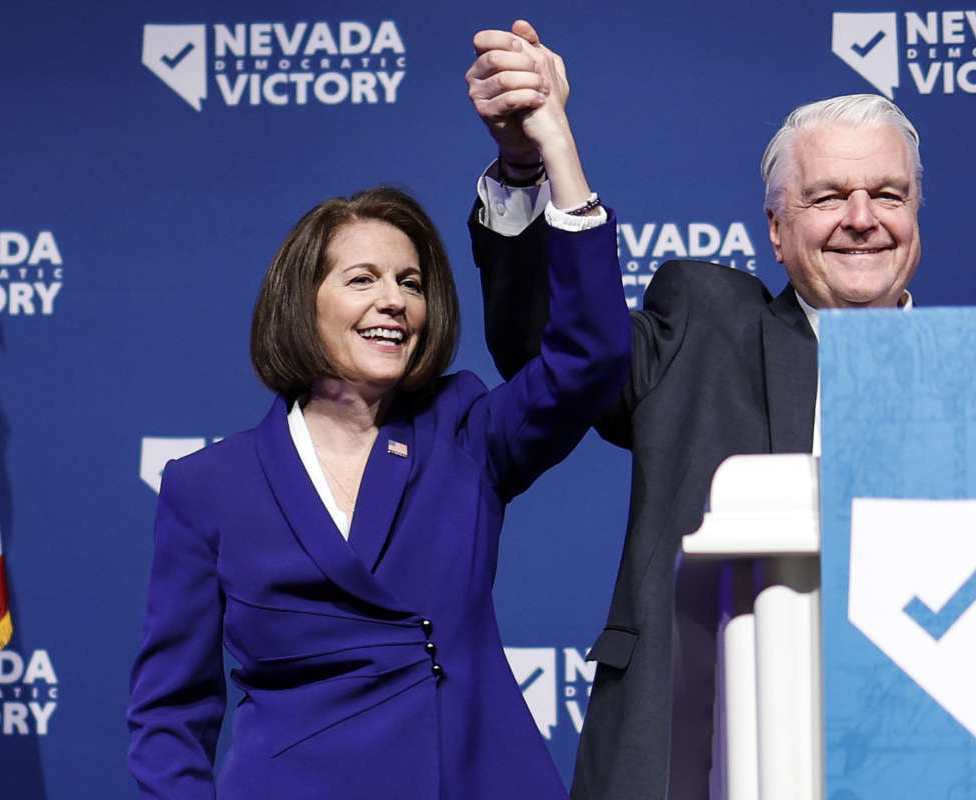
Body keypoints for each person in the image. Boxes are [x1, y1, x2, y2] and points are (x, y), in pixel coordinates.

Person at [125, 79, 630, 798]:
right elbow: (170, 713)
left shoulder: (464, 430)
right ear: (303, 304)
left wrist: (553, 149)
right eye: (362, 279)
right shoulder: (207, 486)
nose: (394, 300)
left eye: (411, 282)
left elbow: (591, 355)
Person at [467, 20, 921, 800]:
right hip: (704, 747)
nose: (861, 217)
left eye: (887, 194)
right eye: (827, 197)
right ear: (777, 232)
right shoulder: (706, 328)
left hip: (918, 747)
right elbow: (559, 350)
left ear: (916, 214)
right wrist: (530, 161)